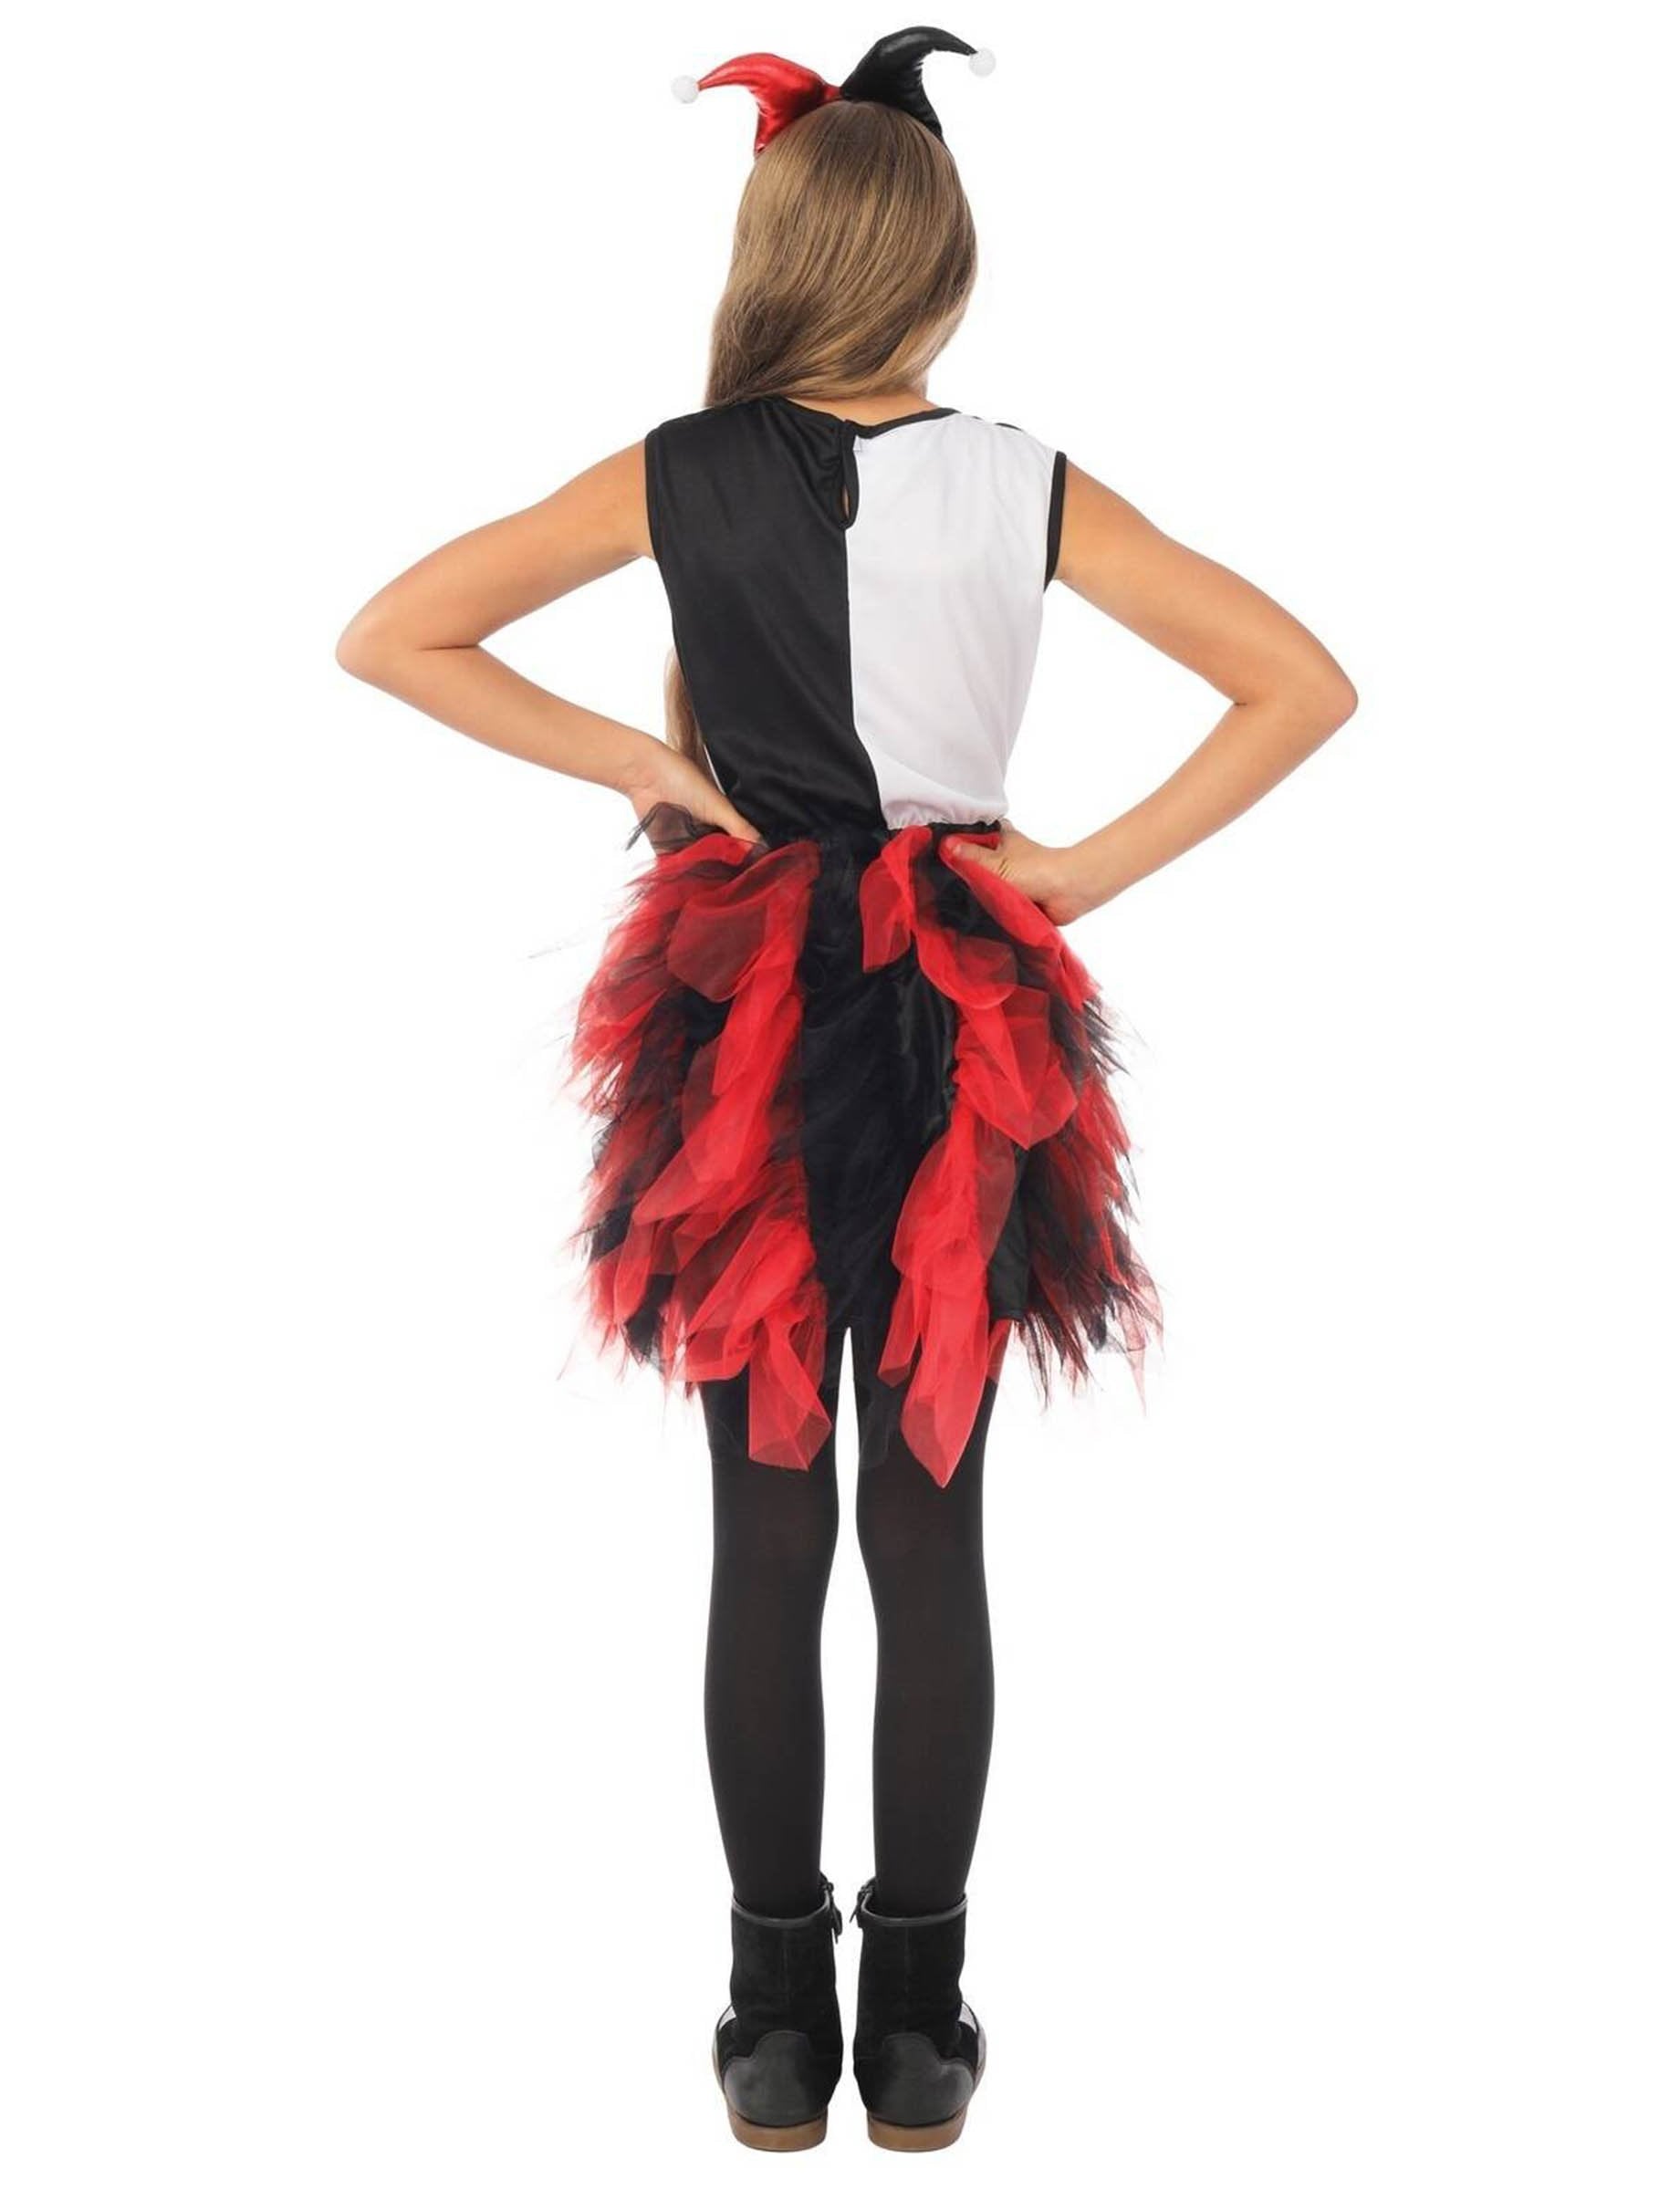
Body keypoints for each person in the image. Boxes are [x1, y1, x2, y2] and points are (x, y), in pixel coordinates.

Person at [335, 26, 1357, 2155]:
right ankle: (917, 2008)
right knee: (927, 1517)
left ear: (776, 254)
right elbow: (1299, 682)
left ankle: (769, 2008)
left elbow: (397, 631)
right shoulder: (1025, 479)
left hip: (745, 1012)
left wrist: (649, 764)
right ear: (941, 269)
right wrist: (1066, 872)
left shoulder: (680, 468)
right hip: (959, 1010)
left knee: (767, 1521)